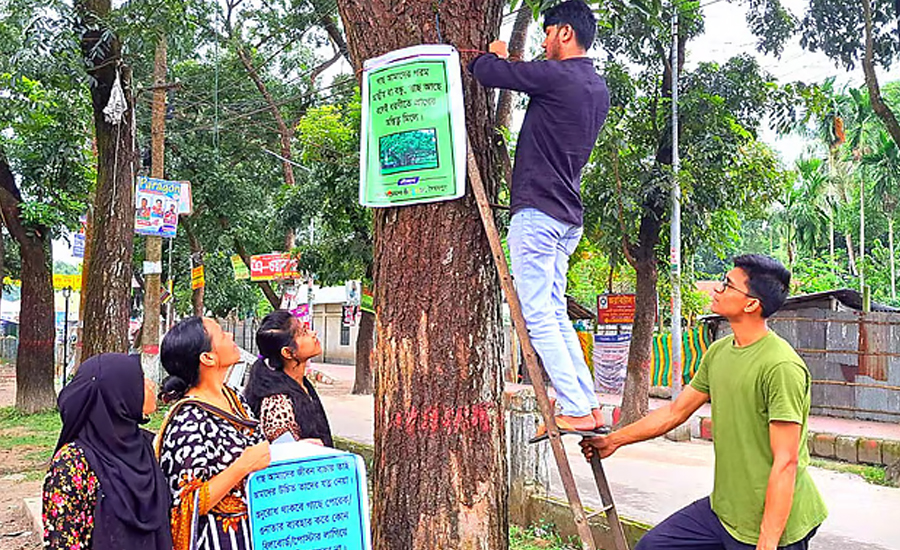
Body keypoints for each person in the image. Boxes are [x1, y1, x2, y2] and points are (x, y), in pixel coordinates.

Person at [581, 255, 828, 550]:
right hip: (724, 511)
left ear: (751, 304)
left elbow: (785, 462)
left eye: (727, 285)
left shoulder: (781, 367)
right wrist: (614, 440)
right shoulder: (719, 352)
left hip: (774, 525)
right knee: (652, 547)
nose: (717, 290)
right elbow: (675, 412)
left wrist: (768, 542)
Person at [468, 0, 610, 436]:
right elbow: (530, 77)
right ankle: (586, 403)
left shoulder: (556, 76)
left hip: (539, 212)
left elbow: (487, 72)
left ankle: (574, 405)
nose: (544, 42)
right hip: (567, 214)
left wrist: (492, 52)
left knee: (538, 316)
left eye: (547, 33)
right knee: (554, 313)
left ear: (565, 33)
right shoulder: (595, 87)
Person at [156, 317, 271, 550]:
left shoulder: (234, 398)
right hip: (217, 540)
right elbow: (187, 503)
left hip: (253, 533)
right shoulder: (187, 420)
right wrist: (243, 466)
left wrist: (295, 451)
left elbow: (259, 453)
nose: (229, 335)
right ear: (207, 358)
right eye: (221, 334)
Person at [43, 353, 173, 550]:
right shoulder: (73, 464)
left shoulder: (146, 446)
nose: (151, 384)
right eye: (140, 379)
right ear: (117, 393)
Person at [244, 310, 333, 447]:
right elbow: (284, 455)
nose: (313, 334)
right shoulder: (277, 403)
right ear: (287, 352)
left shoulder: (301, 384)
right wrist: (303, 447)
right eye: (303, 333)